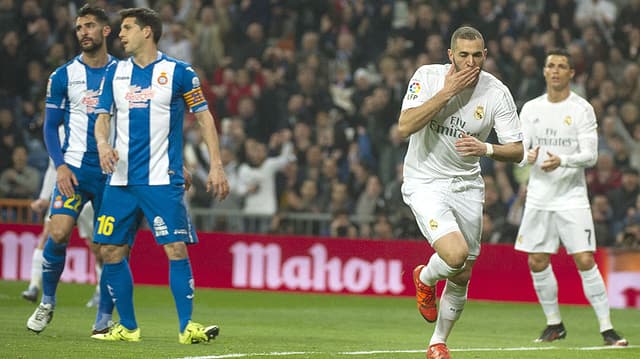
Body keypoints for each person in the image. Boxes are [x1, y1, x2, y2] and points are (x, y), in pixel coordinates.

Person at [92, 7, 229, 344]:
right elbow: (102, 116)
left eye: (126, 28)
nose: (119, 34)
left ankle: (187, 327)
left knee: (175, 248)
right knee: (110, 250)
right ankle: (127, 326)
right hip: (120, 180)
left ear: (147, 31)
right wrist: (101, 144)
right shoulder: (115, 74)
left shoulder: (179, 72)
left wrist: (216, 163)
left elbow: (204, 117)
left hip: (160, 178)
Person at [398, 26, 525, 359]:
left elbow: (518, 149)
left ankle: (437, 343)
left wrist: (486, 148)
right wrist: (444, 93)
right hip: (425, 180)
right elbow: (404, 126)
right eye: (463, 55)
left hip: (467, 184)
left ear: (485, 56)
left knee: (463, 271)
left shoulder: (496, 92)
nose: (470, 62)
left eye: (477, 55)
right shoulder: (427, 77)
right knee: (454, 255)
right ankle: (425, 278)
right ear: (451, 55)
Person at [515, 48, 628, 346]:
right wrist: (527, 157)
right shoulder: (530, 109)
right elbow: (521, 151)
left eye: (561, 66)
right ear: (544, 71)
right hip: (539, 196)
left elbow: (590, 155)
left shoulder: (581, 109)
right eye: (550, 65)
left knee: (584, 258)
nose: (555, 70)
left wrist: (561, 161)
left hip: (571, 196)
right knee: (537, 261)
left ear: (571, 73)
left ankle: (607, 328)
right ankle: (554, 325)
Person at [26, 4, 120, 335]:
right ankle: (47, 301)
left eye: (90, 26)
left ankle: (104, 318)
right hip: (75, 171)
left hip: (112, 174)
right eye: (79, 27)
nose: (84, 32)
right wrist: (61, 166)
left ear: (106, 31)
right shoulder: (62, 76)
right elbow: (51, 128)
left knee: (109, 246)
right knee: (58, 232)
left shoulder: (124, 73)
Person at [21, 159, 100, 308]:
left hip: (89, 193)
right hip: (64, 192)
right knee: (48, 235)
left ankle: (101, 290)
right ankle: (34, 286)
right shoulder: (59, 141)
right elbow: (53, 167)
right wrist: (44, 197)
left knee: (96, 246)